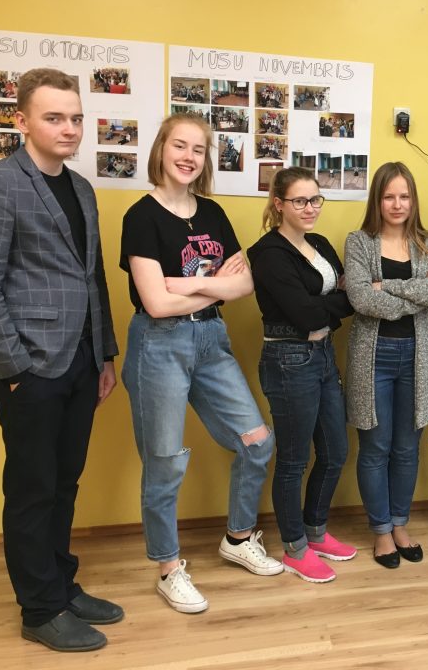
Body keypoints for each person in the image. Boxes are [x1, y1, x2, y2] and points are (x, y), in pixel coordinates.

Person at [0, 68, 121, 652]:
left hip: (81, 360)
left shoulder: (81, 189)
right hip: (28, 367)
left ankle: (61, 585)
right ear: (22, 121)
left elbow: (91, 276)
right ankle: (40, 608)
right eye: (54, 117)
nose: (69, 128)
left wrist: (104, 354)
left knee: (64, 482)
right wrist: (14, 368)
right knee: (33, 488)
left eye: (75, 118)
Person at [120, 113, 281, 615]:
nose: (189, 157)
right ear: (161, 149)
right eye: (180, 146)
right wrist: (216, 287)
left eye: (198, 149)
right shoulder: (141, 217)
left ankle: (237, 538)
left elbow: (245, 283)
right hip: (159, 345)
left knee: (258, 441)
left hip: (212, 338)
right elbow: (155, 304)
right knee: (165, 460)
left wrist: (189, 284)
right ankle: (169, 568)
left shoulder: (212, 213)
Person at [248, 168, 357, 584]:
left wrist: (325, 305)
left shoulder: (320, 244)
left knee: (335, 452)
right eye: (299, 201)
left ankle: (316, 531)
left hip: (324, 354)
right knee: (294, 460)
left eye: (315, 200)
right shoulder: (268, 253)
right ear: (279, 204)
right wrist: (331, 303)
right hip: (288, 359)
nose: (310, 208)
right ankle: (294, 547)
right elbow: (309, 313)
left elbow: (350, 296)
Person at [344, 162, 428, 569]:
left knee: (407, 448)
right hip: (373, 359)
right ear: (377, 200)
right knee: (375, 447)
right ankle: (381, 531)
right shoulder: (359, 242)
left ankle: (400, 524)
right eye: (389, 196)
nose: (397, 204)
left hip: (418, 358)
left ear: (413, 200)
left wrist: (387, 286)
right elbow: (360, 298)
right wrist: (417, 296)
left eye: (404, 196)